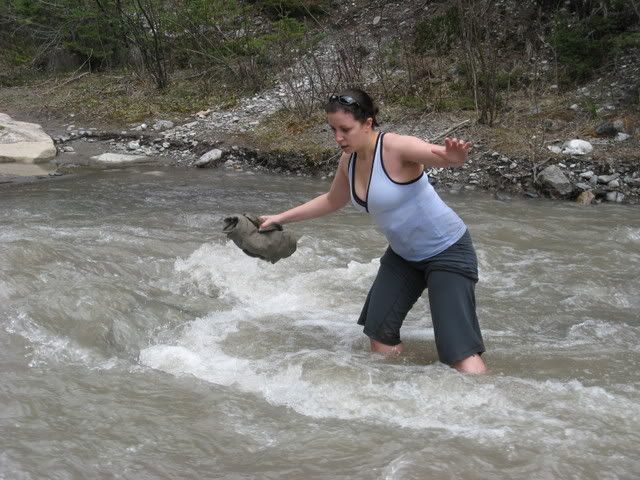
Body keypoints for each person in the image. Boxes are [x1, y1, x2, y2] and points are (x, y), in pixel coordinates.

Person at [260, 88, 486, 374]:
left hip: (448, 251)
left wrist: (453, 156)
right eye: (333, 130)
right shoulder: (349, 161)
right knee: (379, 335)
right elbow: (332, 200)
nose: (338, 138)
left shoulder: (395, 147)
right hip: (404, 256)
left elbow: (439, 156)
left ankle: (488, 399)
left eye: (345, 129)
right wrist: (281, 218)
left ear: (367, 123)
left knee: (458, 355)